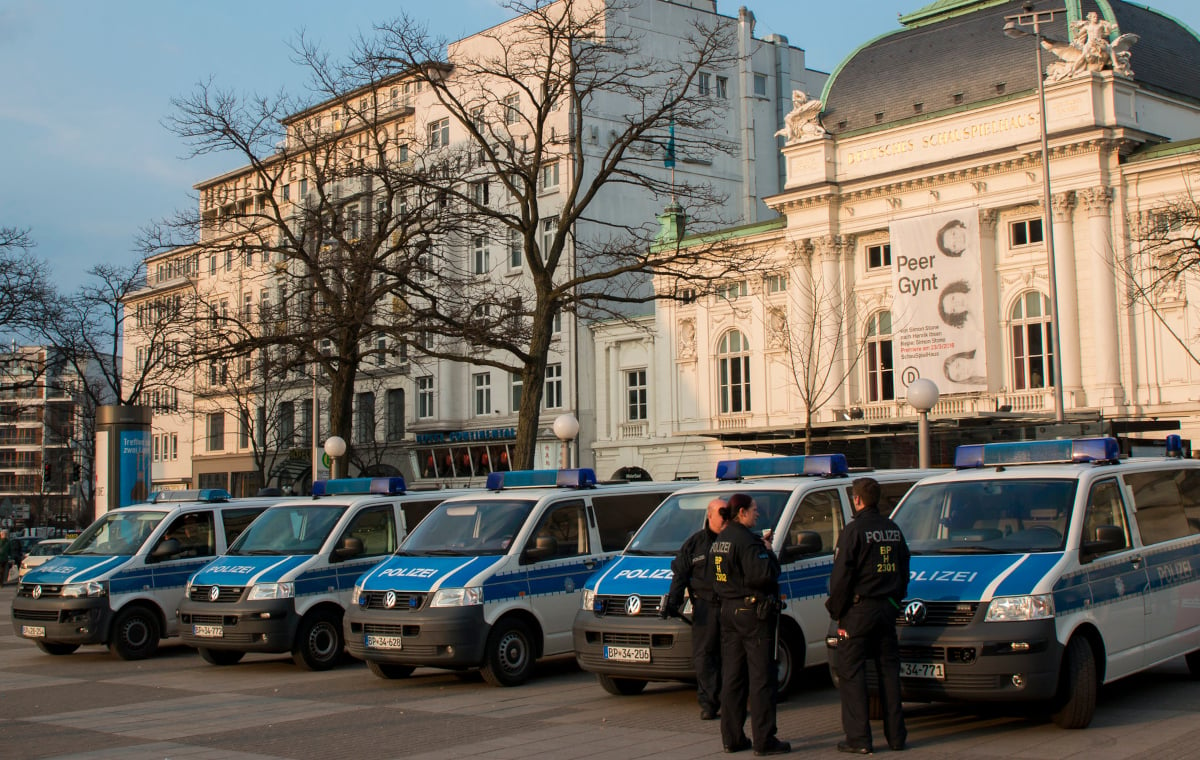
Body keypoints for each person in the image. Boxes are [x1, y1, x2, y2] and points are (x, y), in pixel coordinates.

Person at [827, 477, 911, 754]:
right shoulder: (894, 530)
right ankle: (897, 738)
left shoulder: (853, 531)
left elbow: (841, 578)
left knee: (852, 673)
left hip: (858, 611)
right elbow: (904, 569)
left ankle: (859, 739)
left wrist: (837, 611)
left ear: (858, 500)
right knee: (889, 672)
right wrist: (893, 601)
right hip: (886, 610)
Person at [710, 493, 790, 756]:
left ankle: (731, 737)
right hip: (752, 613)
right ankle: (764, 740)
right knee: (761, 677)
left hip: (728, 610)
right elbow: (765, 575)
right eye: (754, 510)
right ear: (741, 512)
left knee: (732, 677)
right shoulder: (748, 542)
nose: (757, 514)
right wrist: (767, 552)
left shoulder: (721, 539)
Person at [663, 497, 727, 721]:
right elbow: (680, 573)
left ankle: (730, 702)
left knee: (732, 656)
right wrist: (673, 601)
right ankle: (709, 704)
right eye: (722, 513)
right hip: (705, 608)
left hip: (731, 607)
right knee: (705, 656)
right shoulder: (695, 544)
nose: (726, 517)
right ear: (710, 516)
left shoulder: (737, 540)